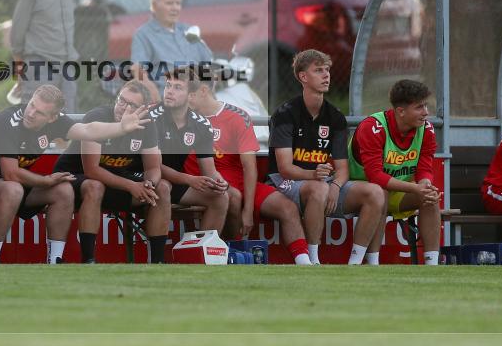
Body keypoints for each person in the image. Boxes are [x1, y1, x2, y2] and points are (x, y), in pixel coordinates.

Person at [0, 84, 150, 264]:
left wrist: (121, 128)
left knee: (63, 190)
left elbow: (87, 130)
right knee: (13, 189)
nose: (31, 113)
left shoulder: (58, 121)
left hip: (10, 182)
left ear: (52, 118)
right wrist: (45, 181)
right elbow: (10, 173)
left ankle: (55, 260)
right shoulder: (9, 120)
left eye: (39, 112)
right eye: (32, 105)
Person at [268, 50, 385, 265]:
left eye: (327, 70)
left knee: (375, 192)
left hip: (322, 183)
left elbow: (342, 169)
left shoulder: (335, 117)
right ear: (303, 77)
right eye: (319, 70)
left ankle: (357, 263)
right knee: (319, 188)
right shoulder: (285, 113)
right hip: (285, 182)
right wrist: (315, 176)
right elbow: (285, 168)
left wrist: (336, 186)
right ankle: (313, 259)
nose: (326, 75)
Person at [184, 73, 313, 265]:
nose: (184, 98)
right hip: (206, 185)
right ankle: (235, 254)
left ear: (203, 91)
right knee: (232, 197)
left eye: (188, 93)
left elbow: (249, 167)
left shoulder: (237, 116)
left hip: (240, 183)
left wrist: (248, 211)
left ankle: (306, 263)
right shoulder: (180, 117)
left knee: (287, 207)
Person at [53, 80, 169, 263]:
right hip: (74, 177)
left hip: (114, 180)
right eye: (121, 100)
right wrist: (131, 186)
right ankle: (89, 260)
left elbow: (153, 167)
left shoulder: (147, 124)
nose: (123, 107)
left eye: (132, 105)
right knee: (95, 186)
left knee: (162, 188)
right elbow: (91, 170)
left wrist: (149, 184)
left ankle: (158, 262)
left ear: (143, 109)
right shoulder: (97, 116)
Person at [348, 79, 441, 265]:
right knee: (379, 192)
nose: (426, 112)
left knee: (430, 198)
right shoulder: (373, 127)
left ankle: (432, 265)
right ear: (401, 111)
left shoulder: (426, 129)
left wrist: (424, 185)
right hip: (357, 190)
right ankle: (360, 262)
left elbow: (425, 168)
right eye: (419, 107)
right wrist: (414, 188)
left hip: (395, 191)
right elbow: (375, 176)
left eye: (426, 106)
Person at [149, 67, 229, 236]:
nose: (170, 91)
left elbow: (209, 171)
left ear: (191, 95)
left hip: (177, 182)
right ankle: (158, 253)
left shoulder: (202, 124)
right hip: (147, 178)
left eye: (177, 87)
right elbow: (153, 166)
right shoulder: (152, 117)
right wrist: (189, 179)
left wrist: (220, 182)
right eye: (168, 85)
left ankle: (200, 249)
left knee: (221, 197)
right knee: (163, 186)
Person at [9, 0, 79, 112]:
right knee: (35, 115)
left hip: (68, 65)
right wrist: (19, 66)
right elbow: (17, 30)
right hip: (40, 64)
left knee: (68, 118)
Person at [130, 0, 213, 101]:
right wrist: (154, 96)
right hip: (173, 98)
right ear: (154, 6)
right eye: (169, 3)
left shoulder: (188, 30)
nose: (175, 8)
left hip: (200, 95)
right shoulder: (144, 34)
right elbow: (138, 71)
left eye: (178, 3)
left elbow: (208, 63)